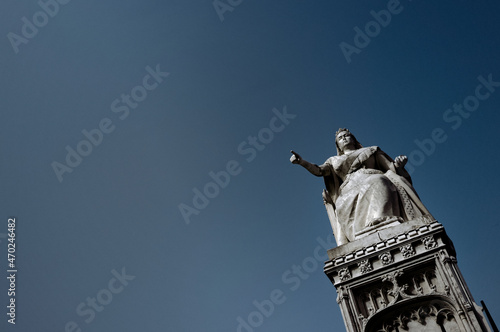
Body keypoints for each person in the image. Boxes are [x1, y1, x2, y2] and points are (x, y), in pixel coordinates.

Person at [290, 128, 432, 245]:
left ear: (353, 138)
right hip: (348, 188)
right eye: (340, 138)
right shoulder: (333, 160)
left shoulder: (371, 150)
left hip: (371, 176)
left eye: (347, 135)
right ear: (338, 145)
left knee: (379, 182)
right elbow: (319, 170)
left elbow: (390, 168)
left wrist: (399, 164)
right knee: (340, 202)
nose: (344, 138)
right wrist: (302, 162)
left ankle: (382, 220)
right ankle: (360, 233)